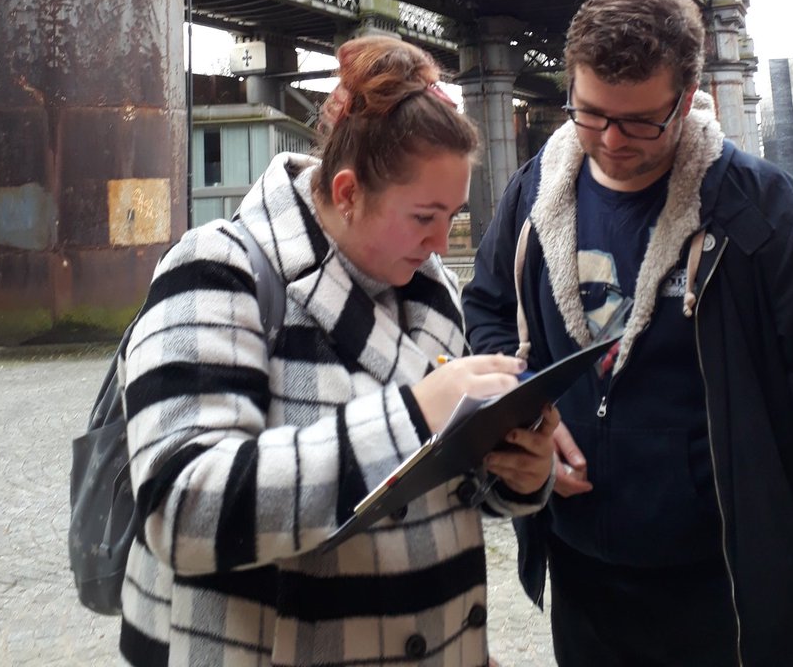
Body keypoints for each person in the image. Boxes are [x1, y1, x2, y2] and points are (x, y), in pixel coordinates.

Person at [118, 34, 558, 667]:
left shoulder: (432, 294)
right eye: (424, 216)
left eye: (455, 216)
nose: (441, 243)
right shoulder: (219, 269)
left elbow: (439, 482)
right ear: (348, 192)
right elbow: (181, 507)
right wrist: (414, 414)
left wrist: (515, 472)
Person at [462, 0, 793, 667]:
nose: (611, 141)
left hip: (729, 586)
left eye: (642, 121)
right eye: (589, 114)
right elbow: (488, 310)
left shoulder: (768, 218)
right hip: (583, 578)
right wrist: (527, 415)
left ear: (691, 90)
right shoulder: (531, 194)